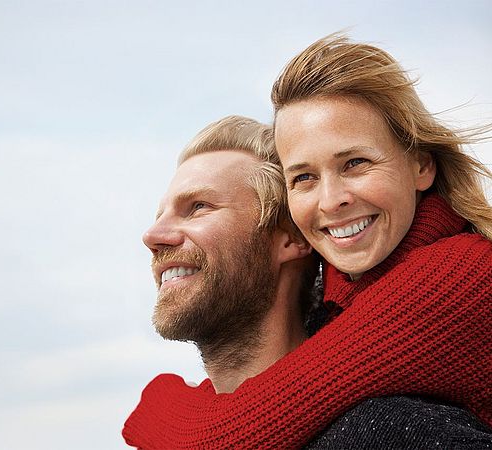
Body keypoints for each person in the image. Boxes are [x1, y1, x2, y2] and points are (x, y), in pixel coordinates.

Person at [122, 34, 492, 449]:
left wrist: (156, 405)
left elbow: (230, 433)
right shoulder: (349, 291)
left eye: (356, 163)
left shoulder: (459, 276)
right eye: (303, 178)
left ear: (421, 165)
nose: (332, 201)